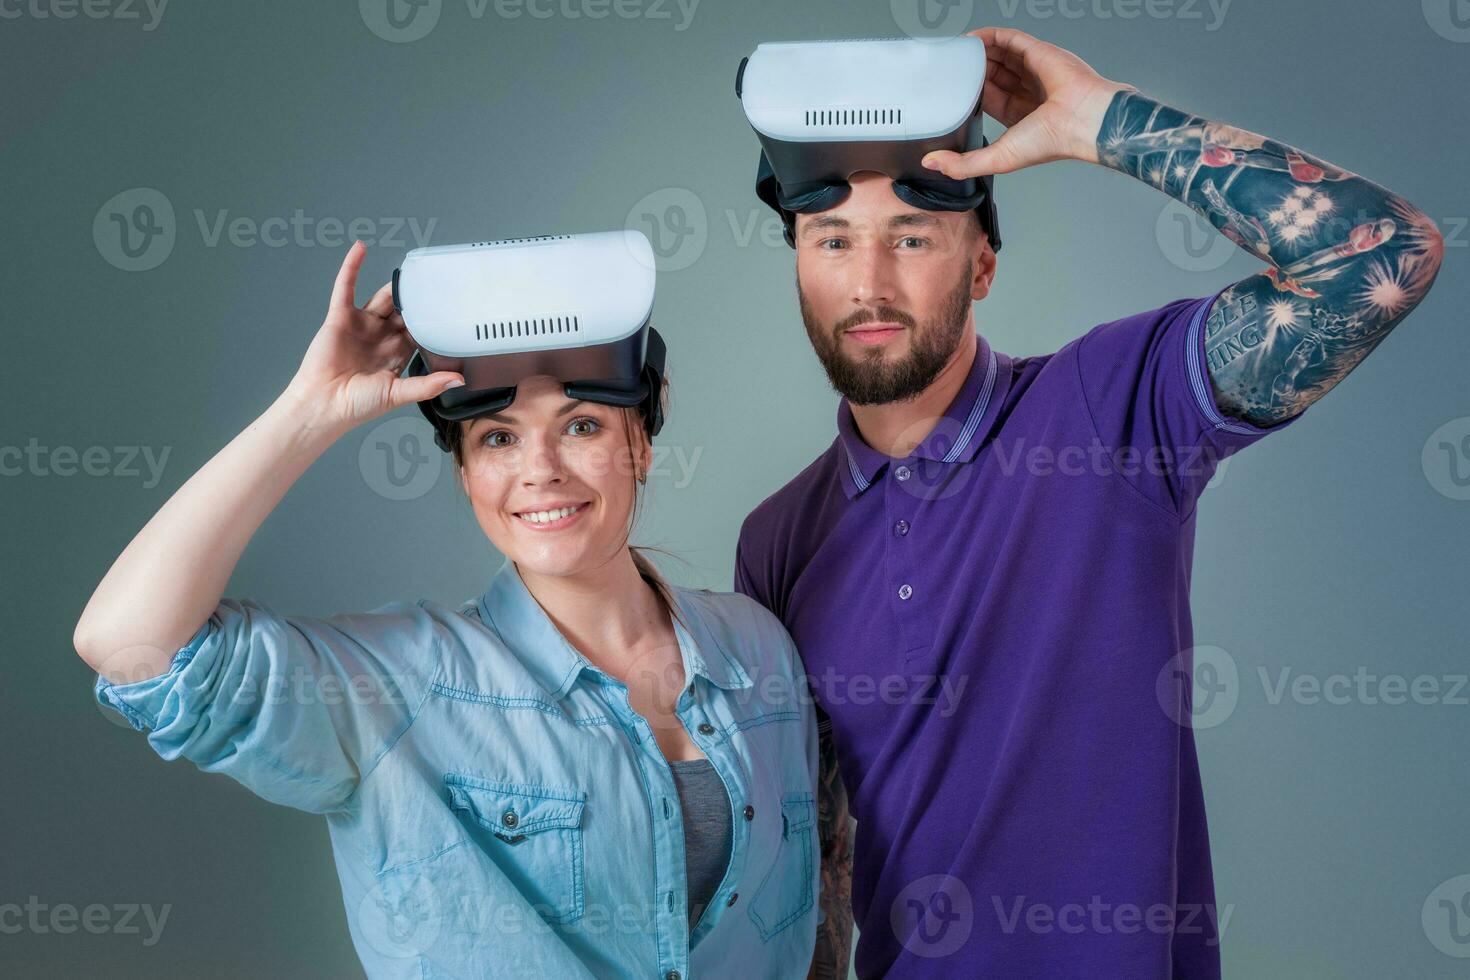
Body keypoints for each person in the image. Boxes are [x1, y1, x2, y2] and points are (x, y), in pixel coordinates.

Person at [733, 27, 1445, 979]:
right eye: (833, 240)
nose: (869, 283)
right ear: (798, 267)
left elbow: (1382, 253)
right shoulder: (777, 540)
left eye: (912, 238)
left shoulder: (1113, 408)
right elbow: (812, 869)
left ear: (982, 266)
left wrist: (1104, 121)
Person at [74, 239, 820, 979]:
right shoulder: (400, 686)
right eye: (499, 439)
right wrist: (310, 411)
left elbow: (806, 912)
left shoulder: (756, 648)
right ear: (465, 474)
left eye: (582, 426)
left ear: (643, 444)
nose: (541, 472)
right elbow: (130, 644)